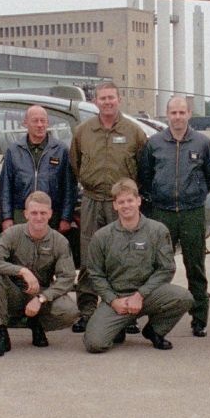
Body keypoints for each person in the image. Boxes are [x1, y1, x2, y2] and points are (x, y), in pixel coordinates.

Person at [138, 94, 210, 337]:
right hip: (162, 213)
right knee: (159, 266)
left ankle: (199, 317)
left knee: (195, 265)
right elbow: (145, 175)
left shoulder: (202, 143)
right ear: (167, 114)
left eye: (182, 112)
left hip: (192, 212)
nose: (177, 117)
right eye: (173, 113)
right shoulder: (154, 144)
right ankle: (158, 315)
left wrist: (193, 194)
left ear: (188, 114)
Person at [69, 80, 149, 331]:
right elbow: (75, 164)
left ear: (119, 100)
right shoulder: (83, 131)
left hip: (123, 204)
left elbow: (143, 169)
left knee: (125, 257)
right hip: (93, 201)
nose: (107, 102)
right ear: (96, 101)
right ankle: (87, 310)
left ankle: (126, 313)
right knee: (90, 255)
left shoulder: (134, 132)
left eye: (111, 98)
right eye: (103, 98)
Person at [81, 178, 192, 353]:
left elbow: (166, 269)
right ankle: (118, 327)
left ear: (138, 201)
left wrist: (140, 295)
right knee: (94, 344)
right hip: (116, 298)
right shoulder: (102, 236)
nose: (126, 206)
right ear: (115, 205)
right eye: (121, 202)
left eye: (130, 200)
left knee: (183, 297)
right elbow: (95, 274)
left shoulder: (157, 231)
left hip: (148, 295)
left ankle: (155, 331)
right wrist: (112, 299)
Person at [0, 191, 78, 356]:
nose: (38, 217)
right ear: (26, 214)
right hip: (14, 292)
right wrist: (21, 271)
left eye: (43, 213)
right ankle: (2, 334)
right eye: (34, 213)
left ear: (50, 214)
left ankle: (37, 324)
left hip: (40, 294)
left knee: (69, 311)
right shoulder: (12, 234)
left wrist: (42, 298)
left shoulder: (59, 241)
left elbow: (67, 278)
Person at [0, 104, 77, 233]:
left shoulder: (60, 150)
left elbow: (69, 188)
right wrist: (6, 217)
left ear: (48, 123)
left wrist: (66, 217)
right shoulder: (13, 151)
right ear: (25, 123)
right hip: (21, 214)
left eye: (43, 121)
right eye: (35, 121)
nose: (40, 125)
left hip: (51, 215)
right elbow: (5, 187)